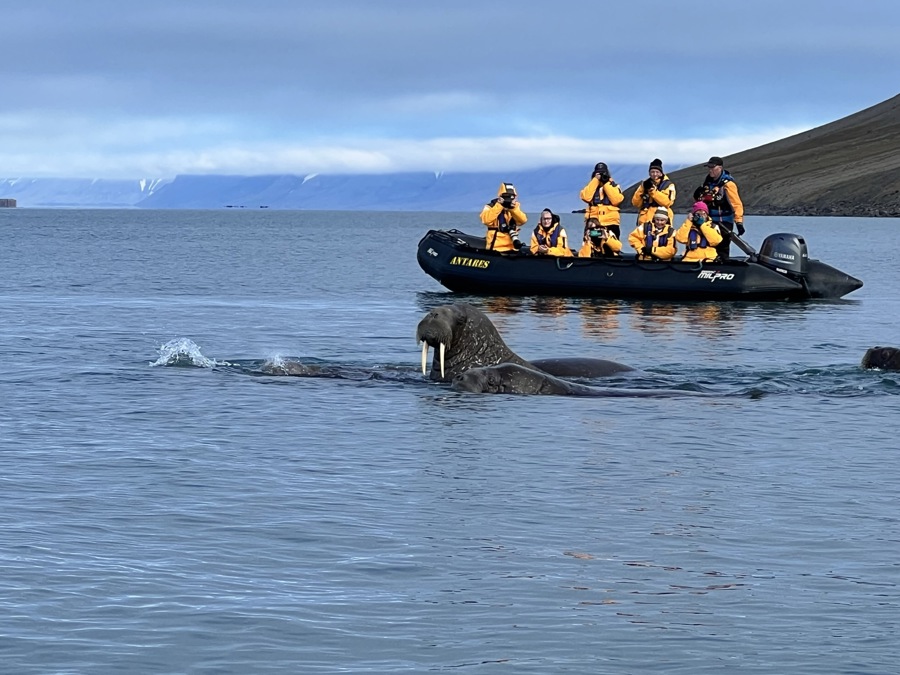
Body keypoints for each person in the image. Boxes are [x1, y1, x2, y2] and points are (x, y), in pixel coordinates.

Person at [693, 156, 744, 260]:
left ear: (720, 167)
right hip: (710, 221)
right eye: (709, 167)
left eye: (712, 167)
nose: (710, 170)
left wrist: (739, 222)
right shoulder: (707, 183)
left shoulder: (728, 185)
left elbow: (736, 204)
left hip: (724, 221)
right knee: (710, 246)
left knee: (723, 247)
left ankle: (724, 269)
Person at [579, 162, 625, 238]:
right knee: (593, 242)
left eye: (603, 173)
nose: (601, 175)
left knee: (612, 245)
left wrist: (606, 183)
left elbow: (617, 200)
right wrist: (595, 180)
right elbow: (586, 197)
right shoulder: (591, 187)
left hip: (611, 224)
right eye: (598, 173)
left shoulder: (614, 186)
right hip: (594, 223)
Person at [480, 182, 527, 252]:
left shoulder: (514, 209)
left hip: (512, 247)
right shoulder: (490, 207)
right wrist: (499, 205)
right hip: (495, 248)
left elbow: (522, 220)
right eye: (508, 197)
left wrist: (513, 209)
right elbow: (486, 220)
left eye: (512, 197)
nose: (510, 200)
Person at [631, 158, 676, 227]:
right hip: (645, 220)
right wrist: (642, 188)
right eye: (652, 172)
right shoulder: (645, 184)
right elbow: (635, 203)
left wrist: (653, 191)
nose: (655, 174)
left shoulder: (669, 185)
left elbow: (667, 202)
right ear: (649, 173)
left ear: (661, 173)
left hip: (661, 220)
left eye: (657, 172)